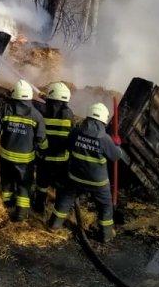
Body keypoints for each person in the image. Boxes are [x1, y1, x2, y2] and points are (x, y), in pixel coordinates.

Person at [48, 102, 128, 243]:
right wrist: (117, 144)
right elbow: (115, 156)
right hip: (98, 182)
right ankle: (106, 234)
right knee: (105, 206)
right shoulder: (105, 139)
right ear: (103, 119)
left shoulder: (76, 132)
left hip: (75, 177)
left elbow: (67, 146)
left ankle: (54, 225)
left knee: (65, 199)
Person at [0, 79, 47, 222]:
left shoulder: (5, 109)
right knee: (24, 184)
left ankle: (7, 203)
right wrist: (42, 150)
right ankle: (21, 213)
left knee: (7, 180)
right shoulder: (36, 116)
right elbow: (41, 138)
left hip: (6, 157)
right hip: (25, 160)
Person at [33, 80, 74, 214]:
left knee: (42, 184)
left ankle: (39, 207)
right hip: (61, 159)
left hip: (44, 157)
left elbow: (45, 107)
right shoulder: (69, 114)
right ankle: (58, 211)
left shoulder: (42, 110)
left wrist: (45, 97)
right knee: (61, 186)